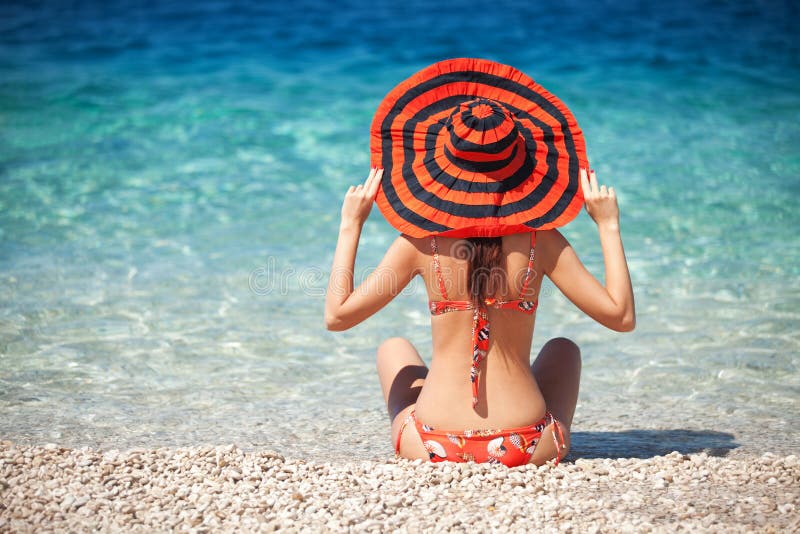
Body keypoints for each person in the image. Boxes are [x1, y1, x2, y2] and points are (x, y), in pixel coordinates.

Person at [325, 59, 635, 467]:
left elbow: (338, 316)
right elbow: (621, 317)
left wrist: (351, 225)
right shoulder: (542, 242)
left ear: (441, 164)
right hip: (528, 444)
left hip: (431, 444)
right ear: (524, 165)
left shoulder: (422, 244)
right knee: (563, 350)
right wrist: (608, 225)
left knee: (394, 349)